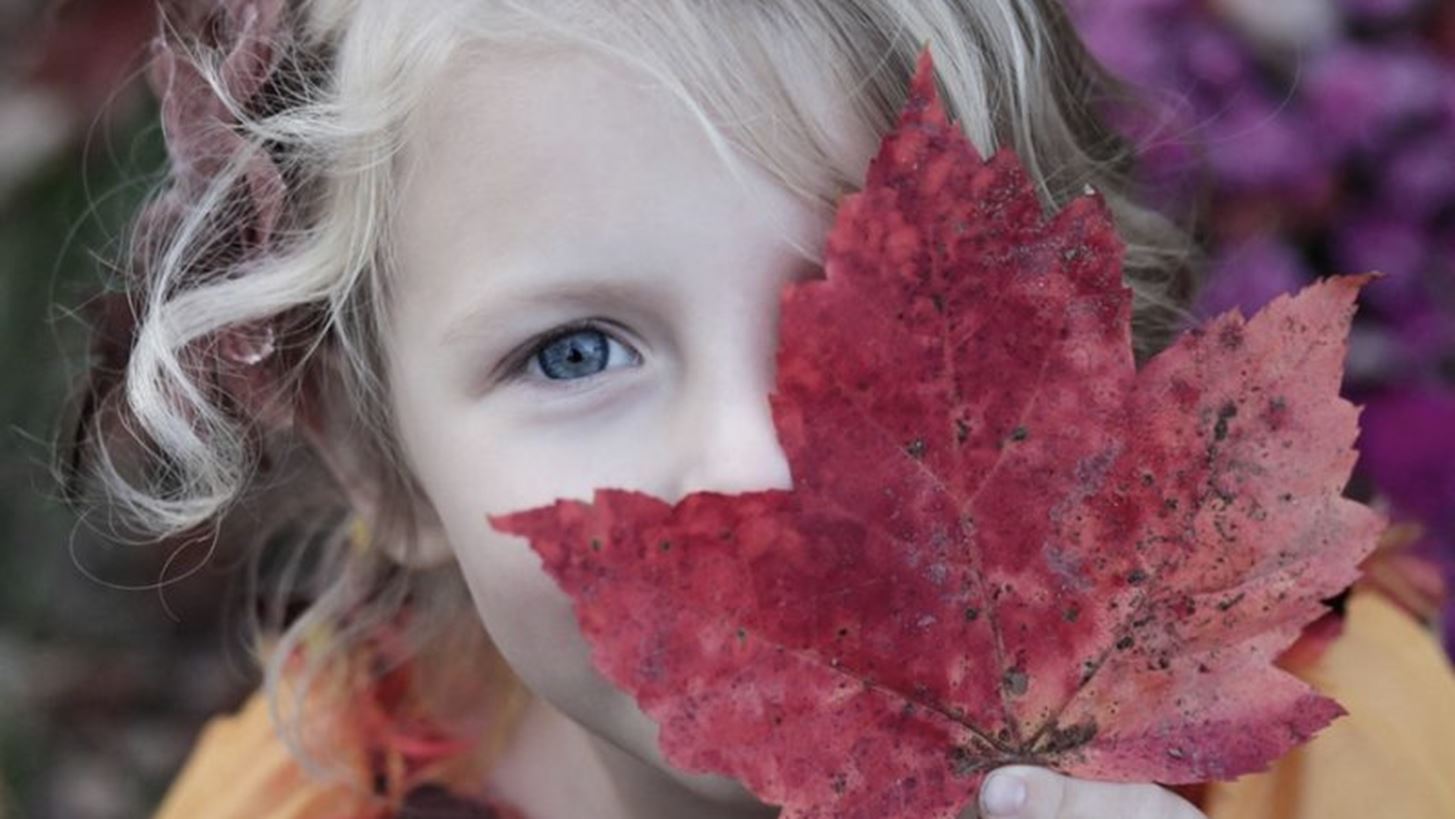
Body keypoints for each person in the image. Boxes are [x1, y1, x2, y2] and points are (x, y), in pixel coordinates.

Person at [57, 1, 1455, 817]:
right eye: (573, 354)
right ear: (384, 465)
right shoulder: (306, 790)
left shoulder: (1336, 745)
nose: (758, 461)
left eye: (876, 304)